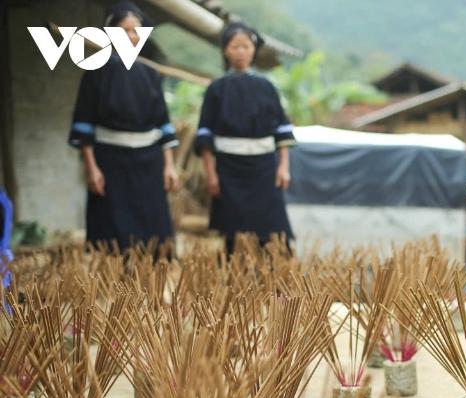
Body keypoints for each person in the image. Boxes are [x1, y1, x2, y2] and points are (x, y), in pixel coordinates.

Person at [68, 1, 178, 252]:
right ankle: (114, 285)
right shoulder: (95, 72)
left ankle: (151, 281)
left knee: (152, 227)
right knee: (112, 229)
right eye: (124, 30)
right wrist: (92, 168)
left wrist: (169, 165)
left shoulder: (150, 74)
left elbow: (163, 123)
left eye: (136, 30)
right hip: (110, 160)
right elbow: (83, 124)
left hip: (149, 162)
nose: (131, 36)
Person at [194, 22, 296, 255]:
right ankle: (236, 284)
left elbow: (281, 130)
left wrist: (283, 168)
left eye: (246, 46)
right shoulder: (216, 89)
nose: (240, 52)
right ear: (225, 50)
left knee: (273, 228)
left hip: (265, 169)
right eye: (234, 46)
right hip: (229, 170)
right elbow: (205, 135)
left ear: (254, 50)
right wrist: (211, 175)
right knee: (234, 229)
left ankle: (276, 282)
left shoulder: (267, 87)